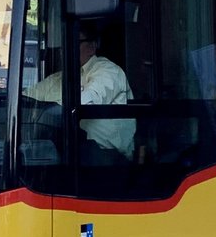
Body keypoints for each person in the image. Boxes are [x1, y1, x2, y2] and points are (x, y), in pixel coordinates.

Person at [25, 24, 135, 162]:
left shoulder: (108, 70)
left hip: (106, 159)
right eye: (63, 45)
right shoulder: (57, 79)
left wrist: (50, 112)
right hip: (65, 152)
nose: (65, 49)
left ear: (92, 47)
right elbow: (26, 99)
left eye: (74, 43)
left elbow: (88, 100)